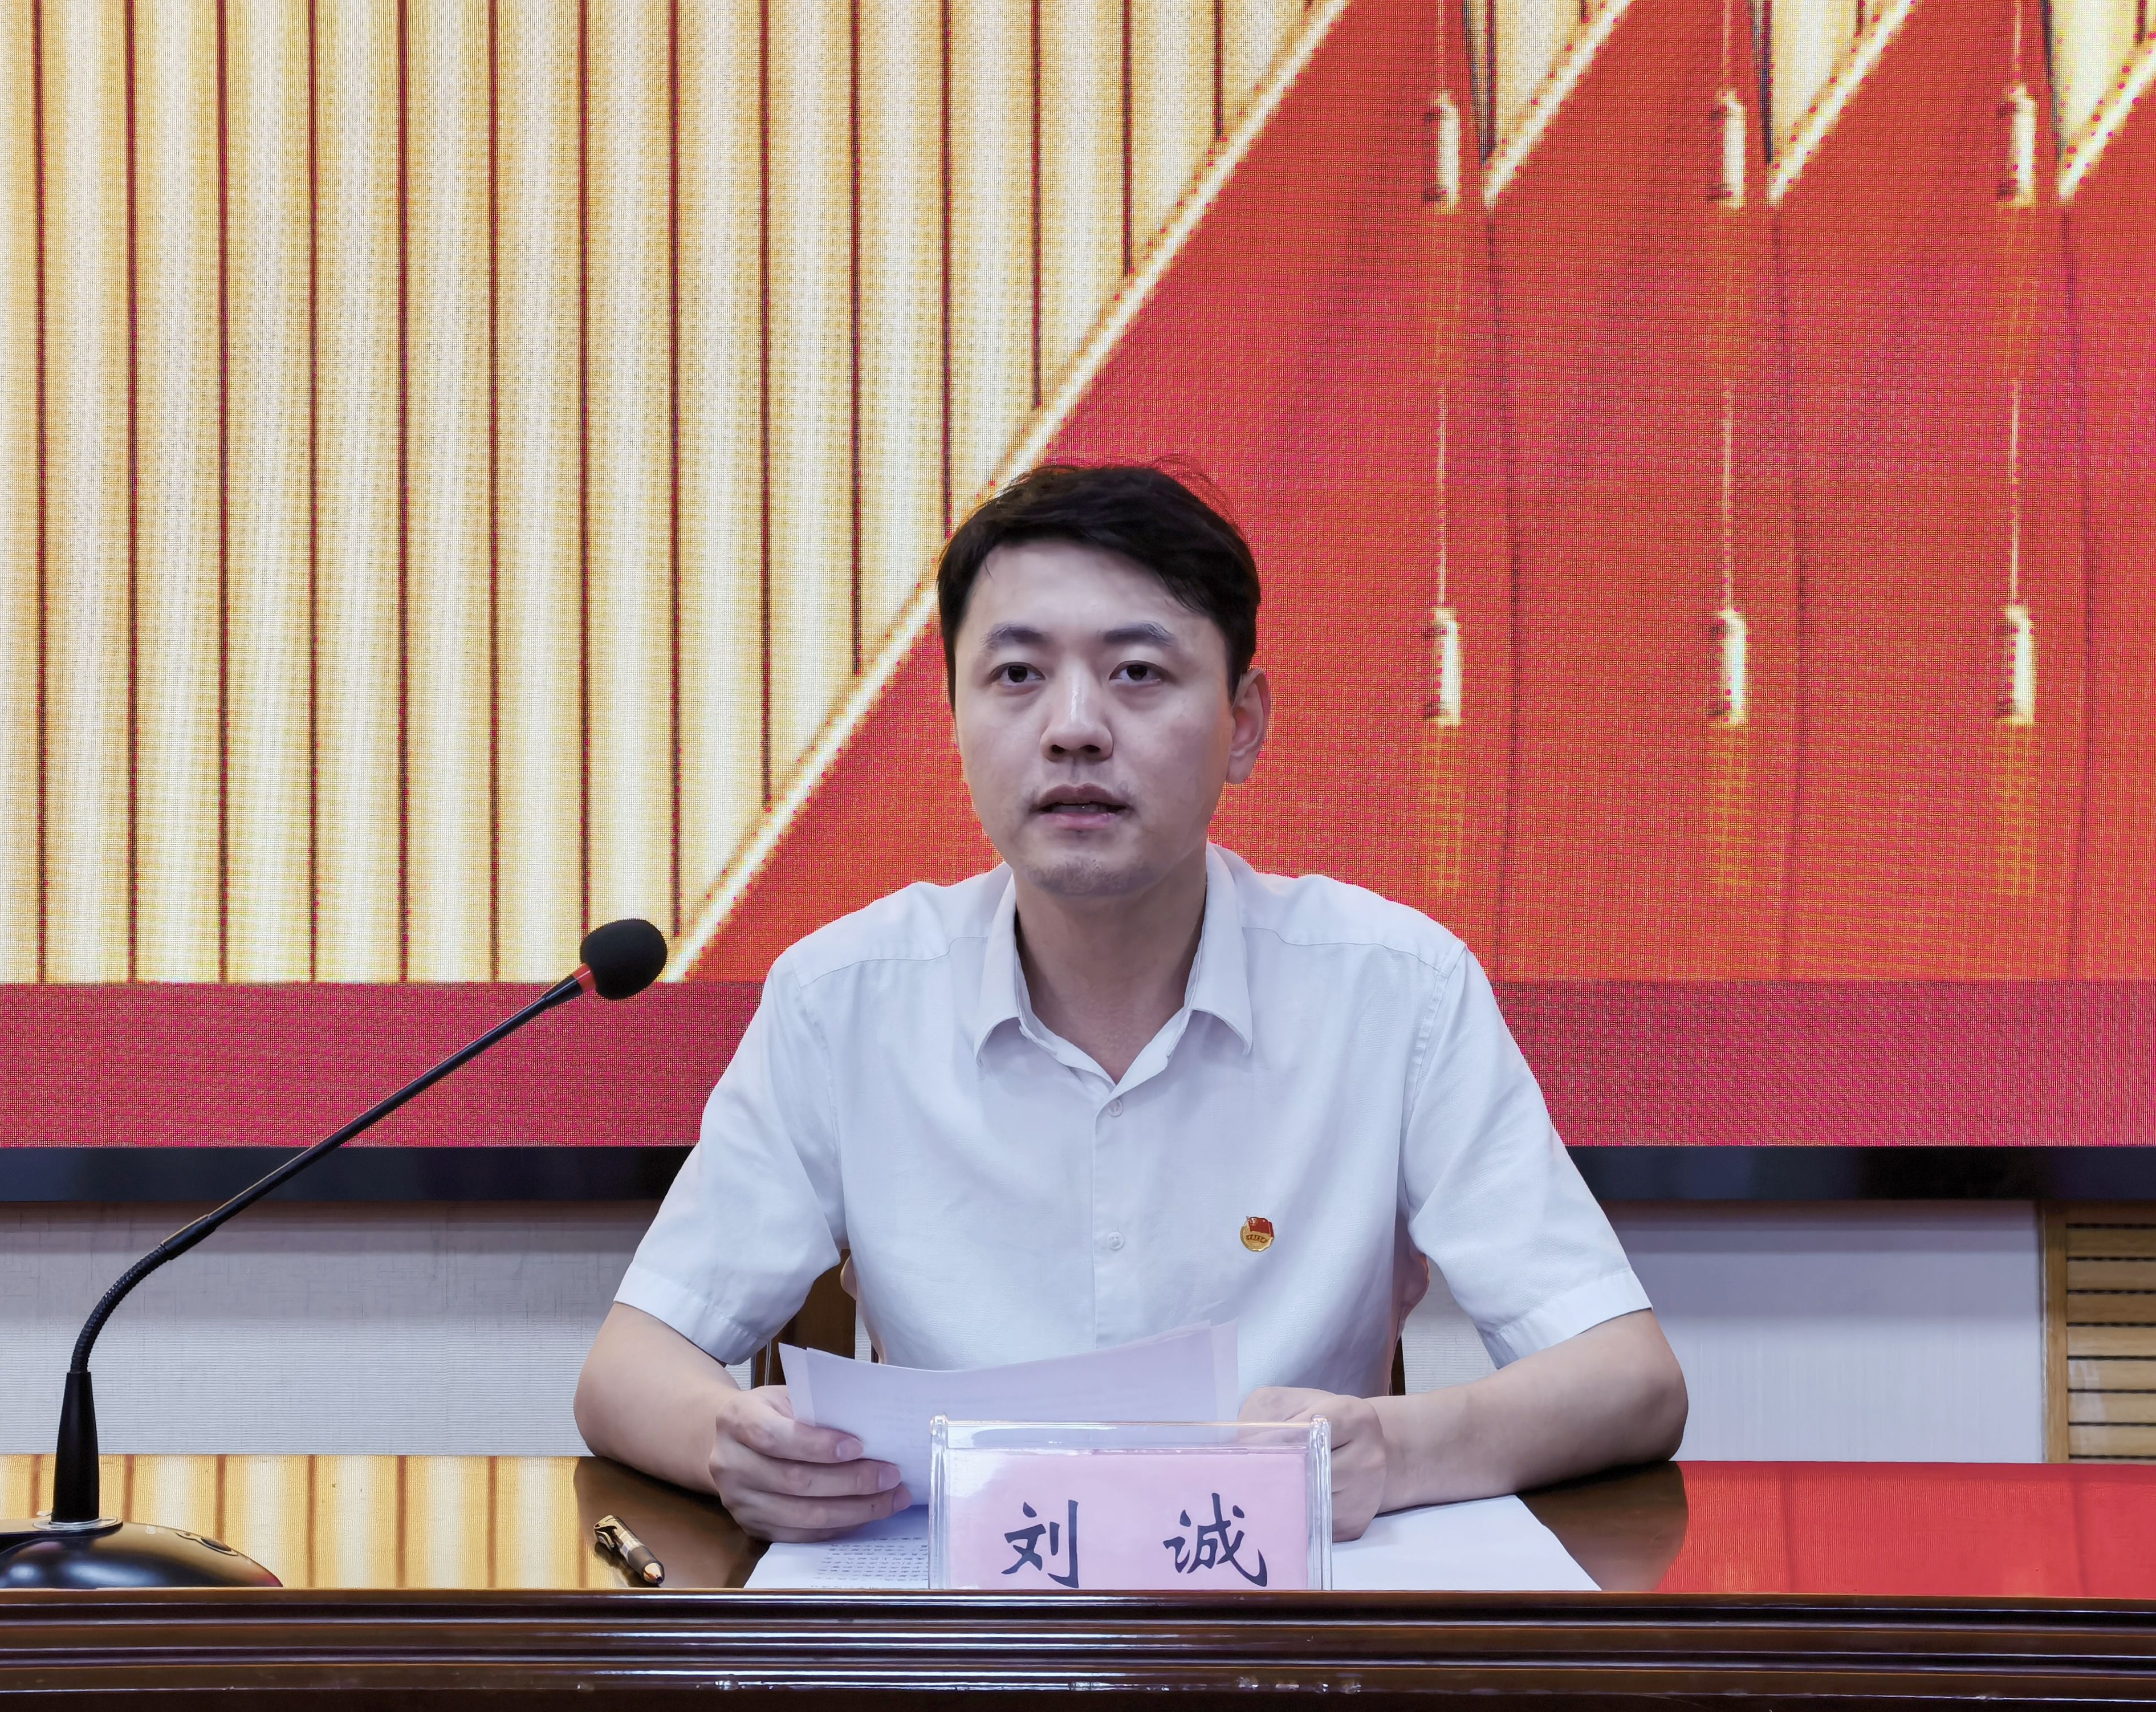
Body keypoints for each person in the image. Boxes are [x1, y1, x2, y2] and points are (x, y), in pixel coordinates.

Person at [575, 461, 1687, 1543]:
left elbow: (1628, 1378)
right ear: (955, 719)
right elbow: (627, 1369)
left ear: (1243, 724)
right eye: (1017, 674)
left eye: (1138, 672)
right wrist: (730, 1444)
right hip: (961, 1630)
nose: (1074, 727)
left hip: (1271, 1630)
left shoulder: (1397, 989)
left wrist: (1395, 1451)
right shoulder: (842, 998)